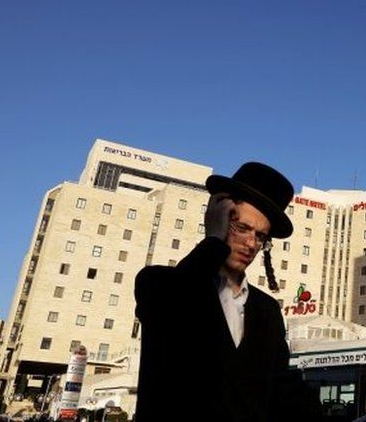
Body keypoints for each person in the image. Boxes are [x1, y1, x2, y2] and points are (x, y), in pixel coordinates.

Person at [134, 162, 320, 421]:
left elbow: (282, 393)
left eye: (260, 236)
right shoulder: (159, 283)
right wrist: (213, 240)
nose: (250, 243)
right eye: (241, 228)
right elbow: (176, 306)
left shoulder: (267, 311)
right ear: (217, 217)